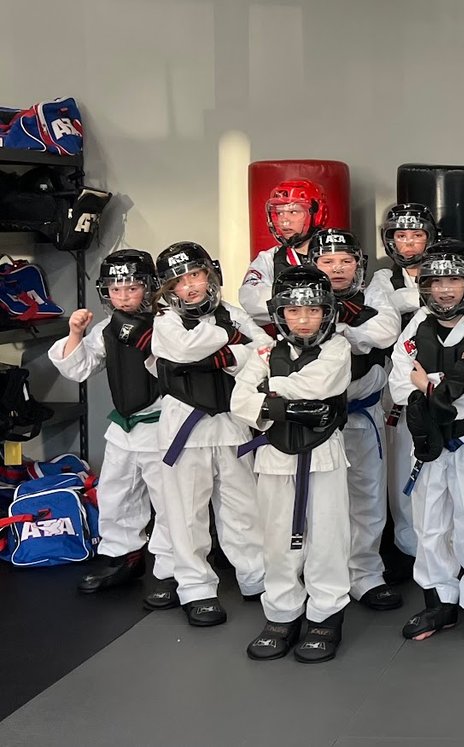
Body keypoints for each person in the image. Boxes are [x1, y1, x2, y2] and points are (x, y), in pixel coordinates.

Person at [389, 241, 464, 643]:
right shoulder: (415, 329)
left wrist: (429, 384)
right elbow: (399, 386)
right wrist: (456, 381)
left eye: (453, 280)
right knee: (428, 524)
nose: (443, 290)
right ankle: (439, 602)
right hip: (426, 445)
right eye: (435, 282)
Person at [234, 266, 353, 662]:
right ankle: (282, 613)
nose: (303, 319)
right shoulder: (265, 352)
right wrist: (286, 409)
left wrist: (269, 392)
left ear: (328, 312)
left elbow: (320, 384)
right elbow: (239, 401)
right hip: (275, 456)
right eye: (294, 311)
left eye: (313, 310)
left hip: (324, 455)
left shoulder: (338, 348)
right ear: (279, 313)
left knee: (328, 537)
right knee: (276, 539)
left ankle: (326, 615)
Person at [150, 242, 269, 627]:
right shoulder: (165, 321)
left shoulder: (231, 311)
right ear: (168, 289)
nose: (189, 287)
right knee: (187, 513)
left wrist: (227, 357)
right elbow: (184, 350)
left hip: (231, 424)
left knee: (243, 507)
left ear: (210, 275)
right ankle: (195, 587)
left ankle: (255, 574)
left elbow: (265, 349)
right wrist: (228, 339)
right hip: (185, 428)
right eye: (178, 282)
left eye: (196, 276)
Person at [49, 249, 176, 608]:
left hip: (163, 426)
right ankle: (123, 557)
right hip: (124, 427)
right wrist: (75, 332)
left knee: (170, 501)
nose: (123, 296)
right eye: (115, 289)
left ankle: (173, 570)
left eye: (132, 288)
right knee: (115, 493)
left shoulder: (169, 323)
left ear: (150, 286)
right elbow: (80, 367)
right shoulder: (107, 327)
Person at [307, 228, 404, 611]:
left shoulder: (375, 292)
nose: (337, 268)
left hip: (363, 413)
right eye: (328, 261)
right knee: (320, 503)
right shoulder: (300, 296)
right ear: (313, 264)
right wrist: (351, 331)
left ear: (358, 264)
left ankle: (365, 574)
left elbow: (385, 331)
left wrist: (341, 329)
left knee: (367, 497)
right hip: (315, 419)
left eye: (345, 261)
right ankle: (322, 576)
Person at [373, 203, 436, 575]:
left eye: (417, 235)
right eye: (401, 235)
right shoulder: (383, 279)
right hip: (397, 384)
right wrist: (427, 300)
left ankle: (439, 549)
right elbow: (383, 318)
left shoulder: (442, 268)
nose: (409, 243)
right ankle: (407, 547)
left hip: (440, 379)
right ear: (390, 240)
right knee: (401, 470)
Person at [239, 179, 329, 326]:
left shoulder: (338, 255)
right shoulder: (269, 258)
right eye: (279, 213)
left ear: (316, 214)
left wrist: (285, 297)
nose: (284, 221)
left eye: (293, 212)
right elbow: (250, 299)